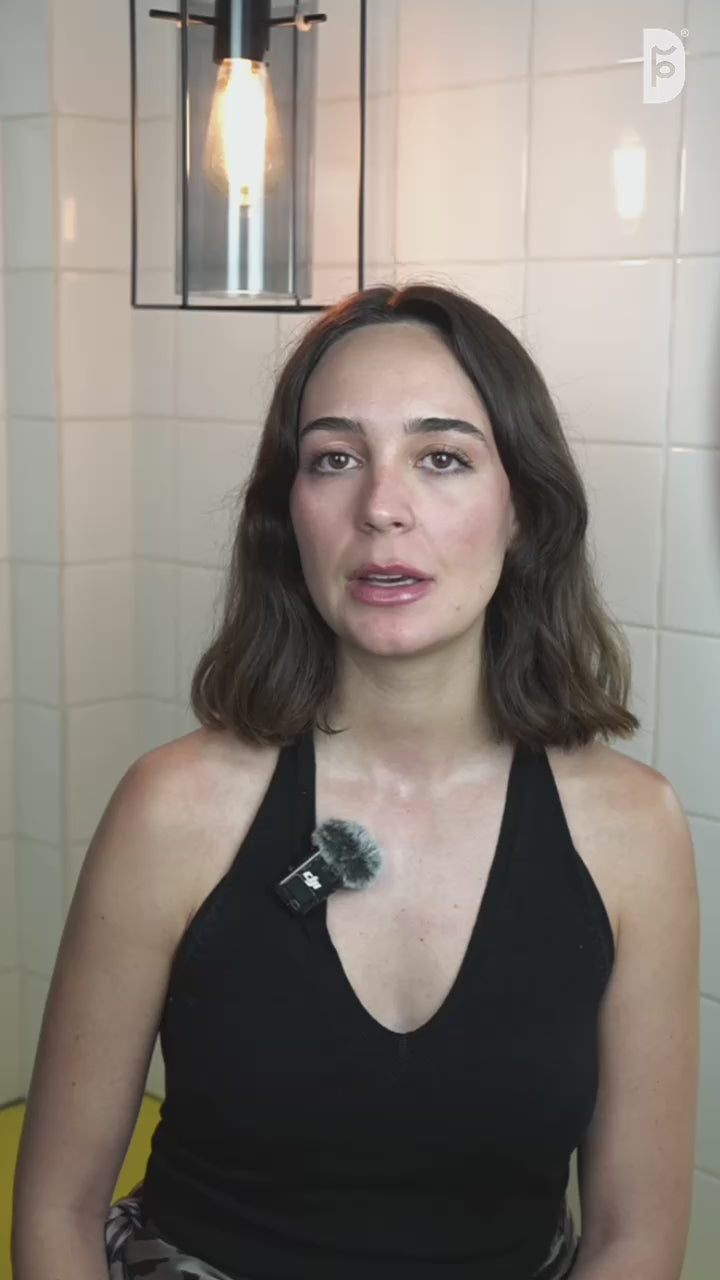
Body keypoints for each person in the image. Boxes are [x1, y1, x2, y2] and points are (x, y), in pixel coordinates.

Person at [11, 283, 699, 1280]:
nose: (381, 507)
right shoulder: (172, 810)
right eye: (334, 458)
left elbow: (636, 1238)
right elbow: (58, 1211)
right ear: (287, 513)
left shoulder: (636, 828)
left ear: (523, 510)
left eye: (442, 457)